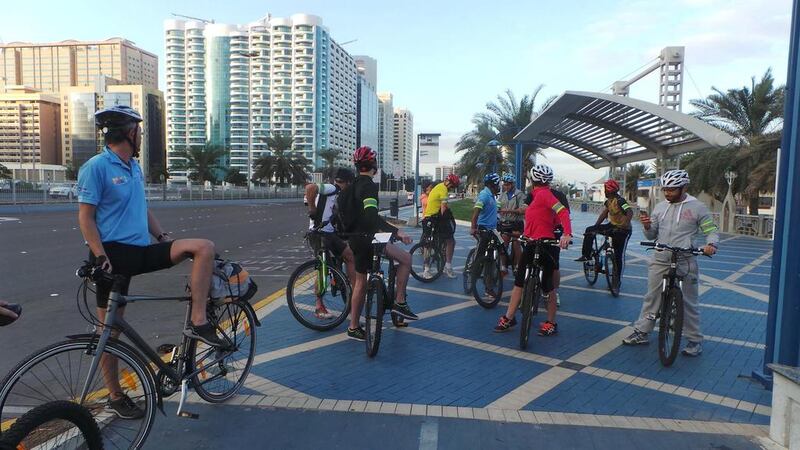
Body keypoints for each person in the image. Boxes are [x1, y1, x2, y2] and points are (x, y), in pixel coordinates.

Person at [77, 105, 223, 419]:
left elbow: (141, 209)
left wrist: (161, 237)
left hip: (139, 250)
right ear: (129, 133)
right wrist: (101, 256)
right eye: (139, 131)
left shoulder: (134, 167)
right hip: (110, 258)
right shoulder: (97, 167)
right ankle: (115, 396)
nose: (141, 135)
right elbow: (86, 219)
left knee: (203, 248)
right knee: (108, 331)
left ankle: (199, 320)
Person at [622, 170, 718, 357]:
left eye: (672, 190)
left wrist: (711, 244)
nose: (668, 193)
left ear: (684, 188)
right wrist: (648, 226)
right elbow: (651, 235)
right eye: (666, 189)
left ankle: (694, 340)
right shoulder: (659, 208)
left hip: (685, 258)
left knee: (689, 301)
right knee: (652, 297)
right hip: (661, 257)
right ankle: (642, 331)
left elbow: (710, 229)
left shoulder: (697, 207)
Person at [342, 146, 417, 341]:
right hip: (370, 238)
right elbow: (371, 217)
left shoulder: (348, 189)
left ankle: (353, 326)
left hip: (354, 239)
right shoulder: (368, 187)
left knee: (360, 282)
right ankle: (400, 301)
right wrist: (396, 231)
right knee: (406, 259)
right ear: (374, 166)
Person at [494, 164, 571, 336]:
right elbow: (531, 214)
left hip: (544, 243)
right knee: (544, 285)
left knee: (522, 283)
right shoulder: (533, 195)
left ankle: (509, 318)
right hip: (532, 241)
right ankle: (549, 323)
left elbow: (563, 212)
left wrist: (567, 234)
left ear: (532, 180)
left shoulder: (544, 194)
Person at [304, 168, 357, 319]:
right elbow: (310, 187)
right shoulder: (332, 188)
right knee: (323, 269)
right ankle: (319, 307)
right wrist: (312, 209)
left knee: (349, 256)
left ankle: (354, 292)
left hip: (328, 232)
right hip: (319, 234)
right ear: (347, 182)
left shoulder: (336, 193)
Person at [576, 179, 633, 283]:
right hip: (612, 225)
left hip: (623, 230)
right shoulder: (608, 202)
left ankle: (617, 279)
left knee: (618, 256)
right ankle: (586, 255)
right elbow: (604, 214)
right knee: (589, 230)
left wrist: (625, 224)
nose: (605, 192)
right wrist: (596, 226)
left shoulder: (620, 201)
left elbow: (629, 212)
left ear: (610, 190)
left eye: (605, 189)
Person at [423, 173, 460, 278]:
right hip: (435, 218)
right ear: (449, 183)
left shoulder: (438, 186)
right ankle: (447, 267)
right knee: (451, 241)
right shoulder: (443, 190)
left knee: (428, 243)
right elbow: (443, 209)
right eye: (452, 186)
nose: (451, 188)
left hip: (428, 218)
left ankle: (426, 269)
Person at [470, 173, 505, 285]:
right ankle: (474, 275)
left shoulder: (492, 196)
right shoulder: (484, 195)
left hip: (493, 230)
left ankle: (499, 270)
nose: (499, 186)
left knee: (501, 247)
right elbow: (476, 213)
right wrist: (473, 227)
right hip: (484, 229)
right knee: (481, 254)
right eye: (498, 184)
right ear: (493, 184)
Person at [497, 174, 527, 270]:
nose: (506, 186)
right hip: (505, 222)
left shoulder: (519, 194)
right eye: (504, 184)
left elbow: (523, 210)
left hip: (516, 223)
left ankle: (518, 265)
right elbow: (498, 206)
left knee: (516, 243)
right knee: (503, 243)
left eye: (508, 184)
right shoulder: (502, 195)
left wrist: (509, 211)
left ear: (512, 184)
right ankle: (503, 265)